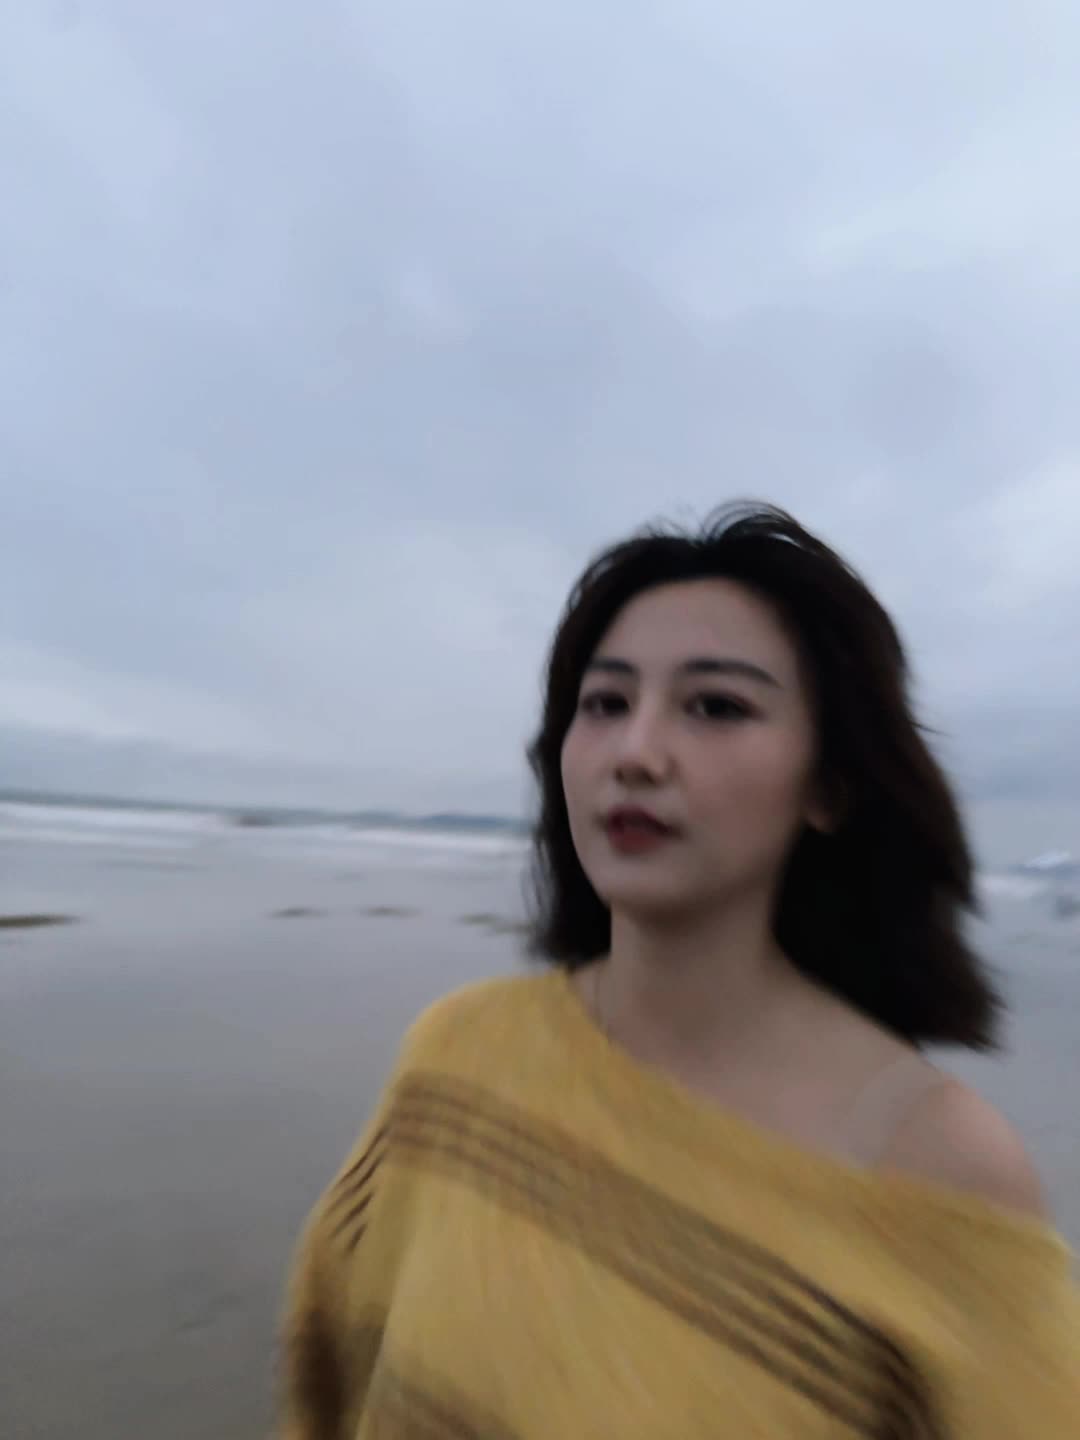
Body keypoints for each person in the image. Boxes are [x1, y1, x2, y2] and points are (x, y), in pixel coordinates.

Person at [280, 503, 1078, 1438]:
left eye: (717, 707)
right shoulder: (457, 1053)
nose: (635, 753)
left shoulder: (939, 1168)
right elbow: (331, 1370)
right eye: (605, 704)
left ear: (830, 785)